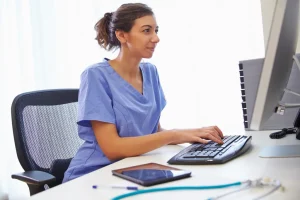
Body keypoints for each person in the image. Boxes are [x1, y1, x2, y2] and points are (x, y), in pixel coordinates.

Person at [63, 3, 224, 183]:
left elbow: (153, 131)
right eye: (147, 31)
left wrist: (192, 134)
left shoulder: (150, 72)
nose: (156, 38)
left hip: (135, 169)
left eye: (156, 30)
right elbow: (112, 148)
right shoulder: (96, 75)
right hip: (93, 175)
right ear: (122, 35)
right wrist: (174, 134)